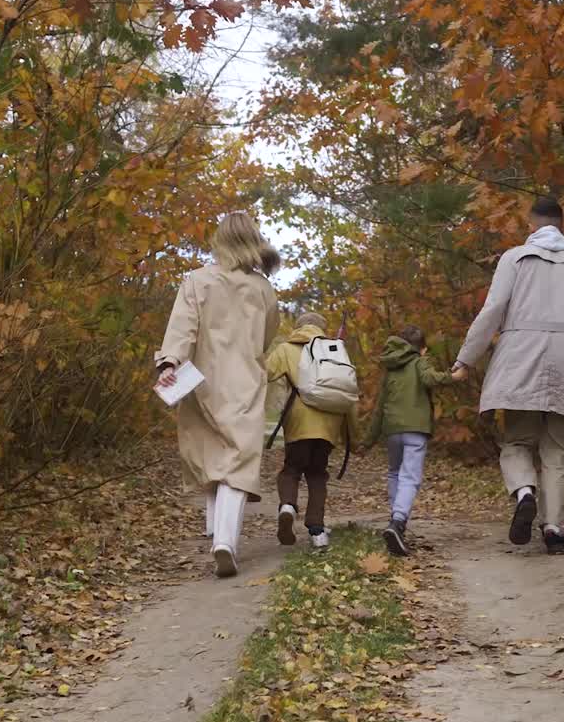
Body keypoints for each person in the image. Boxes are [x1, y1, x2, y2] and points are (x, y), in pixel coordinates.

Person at [451, 196, 564, 554]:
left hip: (522, 357)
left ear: (532, 225)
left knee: (517, 441)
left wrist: (466, 359)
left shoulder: (515, 257)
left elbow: (493, 310)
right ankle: (554, 529)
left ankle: (525, 491)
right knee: (558, 451)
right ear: (561, 225)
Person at [156, 212, 280, 578]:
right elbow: (268, 336)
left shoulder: (197, 281)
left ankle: (215, 530)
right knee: (238, 461)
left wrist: (169, 363)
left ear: (219, 241)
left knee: (211, 457)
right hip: (244, 380)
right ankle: (224, 539)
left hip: (201, 380)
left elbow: (182, 326)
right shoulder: (263, 289)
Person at [266, 312, 358, 550]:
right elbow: (348, 394)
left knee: (292, 469)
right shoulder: (335, 352)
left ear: (298, 327)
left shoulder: (286, 349)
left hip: (299, 421)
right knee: (317, 475)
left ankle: (287, 505)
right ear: (322, 328)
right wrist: (354, 437)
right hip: (330, 423)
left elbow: (262, 374)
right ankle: (317, 532)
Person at [366, 326, 455, 557]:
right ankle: (397, 522)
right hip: (415, 428)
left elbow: (378, 409)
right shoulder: (419, 361)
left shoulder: (390, 370)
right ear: (422, 348)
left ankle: (397, 522)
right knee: (410, 476)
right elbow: (428, 379)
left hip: (393, 430)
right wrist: (451, 376)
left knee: (395, 473)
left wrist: (366, 442)